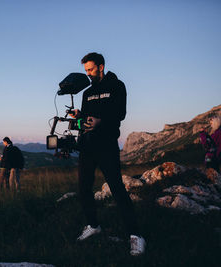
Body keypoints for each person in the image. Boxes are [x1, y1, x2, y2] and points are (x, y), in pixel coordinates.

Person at [70, 52, 145, 256]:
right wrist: (80, 115)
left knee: (117, 189)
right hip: (87, 146)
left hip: (107, 145)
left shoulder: (116, 86)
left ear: (101, 67)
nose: (88, 74)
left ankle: (136, 235)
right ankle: (93, 226)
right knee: (84, 189)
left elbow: (120, 113)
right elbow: (87, 118)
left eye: (91, 70)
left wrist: (100, 121)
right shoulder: (87, 93)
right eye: (86, 71)